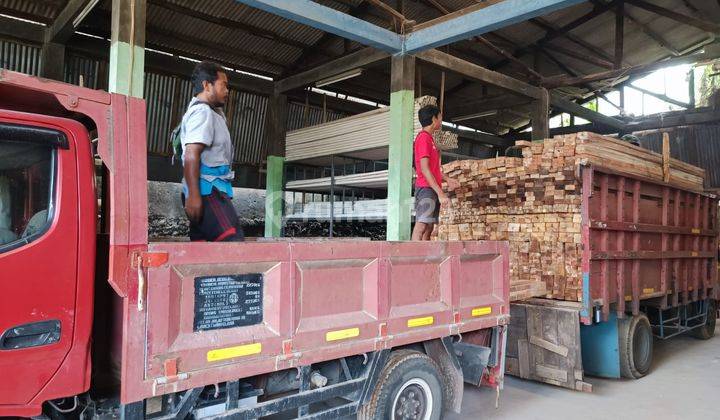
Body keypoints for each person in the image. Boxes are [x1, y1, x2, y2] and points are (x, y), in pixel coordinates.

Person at [180, 61, 244, 242]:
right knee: (232, 242)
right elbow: (191, 153)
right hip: (207, 190)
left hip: (209, 189)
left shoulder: (211, 112)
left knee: (204, 249)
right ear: (207, 85)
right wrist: (194, 195)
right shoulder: (202, 112)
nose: (227, 90)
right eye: (223, 85)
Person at [411, 105, 459, 241]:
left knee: (429, 227)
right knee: (421, 225)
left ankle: (424, 258)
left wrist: (447, 179)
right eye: (440, 117)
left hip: (431, 187)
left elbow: (433, 169)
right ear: (434, 119)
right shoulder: (423, 138)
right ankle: (412, 258)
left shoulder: (430, 139)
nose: (441, 120)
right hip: (426, 188)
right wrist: (441, 193)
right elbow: (425, 169)